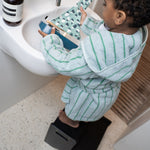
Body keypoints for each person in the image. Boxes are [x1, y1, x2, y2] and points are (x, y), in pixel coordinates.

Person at [39, 0, 150, 128]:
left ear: (119, 17)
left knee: (74, 112)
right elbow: (108, 30)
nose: (103, 7)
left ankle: (71, 122)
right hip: (107, 92)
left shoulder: (99, 50)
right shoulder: (135, 33)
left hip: (87, 96)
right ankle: (84, 118)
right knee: (88, 113)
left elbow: (65, 64)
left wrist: (50, 42)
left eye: (105, 4)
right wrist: (87, 22)